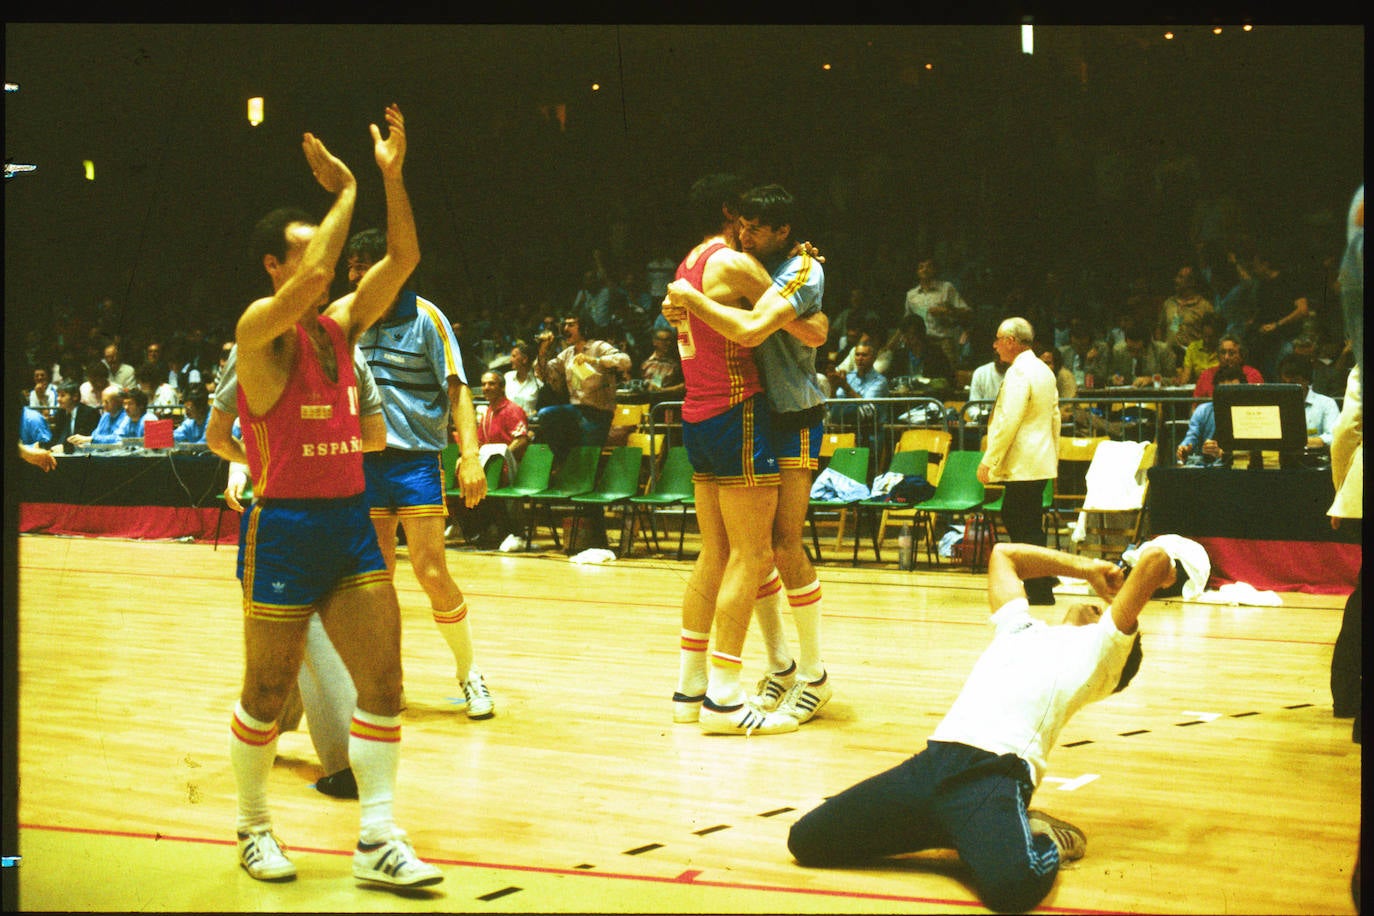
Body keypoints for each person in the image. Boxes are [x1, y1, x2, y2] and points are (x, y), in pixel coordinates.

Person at [219, 104, 443, 887]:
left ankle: (377, 839)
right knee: (267, 689)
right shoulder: (257, 330)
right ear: (275, 269)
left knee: (385, 685)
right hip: (283, 529)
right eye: (303, 252)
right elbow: (322, 272)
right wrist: (346, 185)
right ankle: (253, 829)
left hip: (348, 524)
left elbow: (406, 255)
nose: (321, 262)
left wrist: (390, 177)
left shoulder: (340, 329)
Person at [788, 539, 1180, 915]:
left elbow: (1156, 560)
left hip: (992, 774)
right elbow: (1003, 555)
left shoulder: (1102, 655)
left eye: (1101, 611)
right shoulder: (1020, 628)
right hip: (931, 765)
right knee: (806, 841)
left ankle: (1043, 838)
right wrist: (1084, 567)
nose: (1093, 607)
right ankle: (962, 832)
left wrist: (1156, 575)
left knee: (1013, 888)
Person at [663, 182, 833, 725]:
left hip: (793, 414)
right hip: (750, 414)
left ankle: (813, 674)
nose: (747, 233)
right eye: (742, 223)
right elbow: (806, 330)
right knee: (751, 547)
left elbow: (781, 331)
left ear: (782, 230)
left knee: (780, 545)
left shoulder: (802, 269)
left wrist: (693, 303)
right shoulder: (732, 263)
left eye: (757, 227)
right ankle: (781, 664)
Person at [210, 340, 388, 802]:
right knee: (297, 643)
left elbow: (375, 436)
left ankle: (344, 766)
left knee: (307, 638)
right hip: (312, 515)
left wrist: (287, 459)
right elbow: (220, 434)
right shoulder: (266, 347)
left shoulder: (341, 350)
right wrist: (255, 463)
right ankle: (290, 748)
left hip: (320, 515)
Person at [349, 227, 496, 721]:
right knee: (376, 579)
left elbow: (458, 390)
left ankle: (470, 674)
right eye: (351, 265)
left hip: (414, 461)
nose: (354, 274)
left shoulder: (428, 318)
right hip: (364, 464)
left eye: (364, 264)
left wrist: (470, 455)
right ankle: (387, 681)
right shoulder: (349, 319)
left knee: (432, 572)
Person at [977, 317, 1060, 605]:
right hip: (1038, 461)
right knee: (1027, 523)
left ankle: (1039, 587)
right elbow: (1055, 418)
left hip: (1023, 462)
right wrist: (1053, 455)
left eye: (999, 339)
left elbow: (1008, 421)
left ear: (1011, 341)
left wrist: (989, 459)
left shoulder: (1019, 373)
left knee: (1021, 522)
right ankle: (1039, 584)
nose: (995, 344)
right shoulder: (1044, 371)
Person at [533, 313, 630, 463]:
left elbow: (625, 361)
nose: (566, 328)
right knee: (546, 414)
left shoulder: (599, 346)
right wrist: (542, 352)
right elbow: (544, 374)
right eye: (565, 324)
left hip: (598, 413)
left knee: (587, 461)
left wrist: (595, 360)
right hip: (576, 410)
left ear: (583, 327)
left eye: (571, 325)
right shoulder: (568, 353)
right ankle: (563, 460)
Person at [1245, 247, 1312, 381]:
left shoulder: (1288, 281)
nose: (1254, 267)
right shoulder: (1261, 286)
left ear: (1265, 264)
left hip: (1287, 338)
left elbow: (1303, 310)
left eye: (1256, 264)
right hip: (1267, 341)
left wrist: (1277, 325)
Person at [903, 255, 972, 369]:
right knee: (925, 376)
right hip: (921, 344)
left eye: (929, 266)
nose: (925, 269)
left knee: (949, 375)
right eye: (921, 267)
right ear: (917, 271)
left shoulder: (946, 288)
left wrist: (948, 311)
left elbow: (967, 313)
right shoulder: (911, 295)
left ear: (934, 269)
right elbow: (906, 322)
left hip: (944, 342)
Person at [1276, 353, 1340, 450]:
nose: (1289, 387)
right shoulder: (1276, 404)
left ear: (1307, 380)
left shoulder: (1326, 403)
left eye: (1294, 382)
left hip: (1316, 459)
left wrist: (1298, 443)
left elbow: (1334, 437)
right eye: (1284, 383)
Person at [1155, 263, 1214, 362]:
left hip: (1193, 359)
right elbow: (1160, 328)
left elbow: (1212, 336)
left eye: (1180, 277)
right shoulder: (1169, 303)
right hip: (1168, 359)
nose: (1176, 280)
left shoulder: (1204, 307)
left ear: (1192, 282)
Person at [1100, 323, 1177, 388]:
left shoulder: (1162, 351)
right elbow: (1107, 377)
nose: (1133, 354)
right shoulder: (1118, 350)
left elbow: (1174, 380)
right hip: (1126, 397)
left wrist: (1152, 380)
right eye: (1130, 349)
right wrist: (1113, 379)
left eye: (1137, 350)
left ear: (1148, 345)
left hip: (1157, 398)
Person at [1192, 334, 1264, 400]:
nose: (1226, 357)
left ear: (1241, 355)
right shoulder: (1207, 375)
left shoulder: (1253, 375)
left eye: (1231, 353)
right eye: (1223, 353)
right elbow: (1195, 406)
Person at [48, 380, 99, 451]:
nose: (58, 399)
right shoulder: (60, 413)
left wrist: (65, 448)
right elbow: (56, 438)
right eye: (58, 395)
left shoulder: (90, 413)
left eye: (62, 395)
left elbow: (87, 443)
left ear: (75, 396)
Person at [1178, 310, 1223, 386]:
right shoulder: (1193, 348)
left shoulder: (1223, 349)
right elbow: (1186, 375)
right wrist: (1181, 380)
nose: (1207, 340)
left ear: (1219, 335)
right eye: (1205, 336)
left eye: (1211, 337)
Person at [503, 339, 543, 417]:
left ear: (524, 359)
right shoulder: (507, 377)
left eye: (514, 356)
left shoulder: (538, 383)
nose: (510, 360)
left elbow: (540, 410)